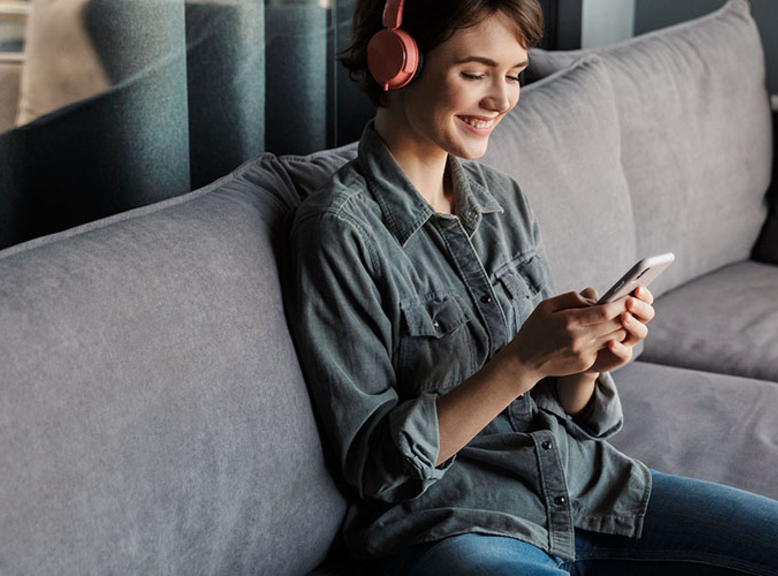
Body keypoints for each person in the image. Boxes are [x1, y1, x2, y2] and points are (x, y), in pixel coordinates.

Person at [287, 0, 778, 574]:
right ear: (396, 63)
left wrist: (586, 362)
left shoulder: (503, 200)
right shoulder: (340, 233)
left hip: (588, 490)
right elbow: (378, 468)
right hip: (461, 523)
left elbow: (560, 409)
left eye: (514, 74)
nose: (502, 99)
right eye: (474, 74)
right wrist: (521, 361)